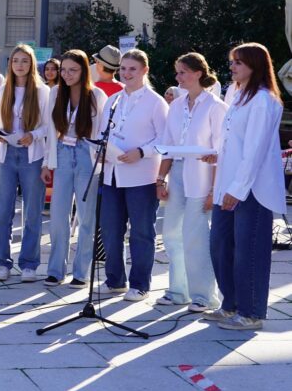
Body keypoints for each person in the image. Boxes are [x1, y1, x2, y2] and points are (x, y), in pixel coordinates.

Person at [206, 43, 285, 330]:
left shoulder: (264, 100)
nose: (233, 67)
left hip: (251, 190)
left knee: (248, 251)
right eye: (232, 62)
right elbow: (233, 142)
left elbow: (254, 150)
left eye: (238, 62)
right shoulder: (237, 94)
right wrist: (215, 154)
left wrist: (236, 190)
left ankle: (250, 313)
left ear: (255, 65)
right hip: (227, 184)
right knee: (220, 246)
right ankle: (230, 305)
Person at [155, 53, 226, 312]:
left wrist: (213, 190)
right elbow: (169, 146)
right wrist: (160, 179)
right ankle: (178, 290)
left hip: (202, 177)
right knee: (172, 233)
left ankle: (204, 295)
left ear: (198, 73)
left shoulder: (216, 106)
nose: (178, 77)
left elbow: (221, 150)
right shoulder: (176, 105)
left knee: (196, 236)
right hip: (178, 175)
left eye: (182, 72)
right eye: (177, 72)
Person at [98, 49, 168, 302]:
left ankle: (140, 284)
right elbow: (102, 132)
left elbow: (165, 139)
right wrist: (102, 151)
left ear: (144, 71)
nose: (126, 73)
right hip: (112, 174)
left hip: (142, 176)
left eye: (132, 69)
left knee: (141, 231)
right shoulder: (114, 100)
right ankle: (114, 279)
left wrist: (142, 151)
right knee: (110, 229)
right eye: (124, 68)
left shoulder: (155, 101)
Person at [41, 50, 107, 287]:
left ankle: (81, 271)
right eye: (64, 70)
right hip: (61, 153)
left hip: (86, 154)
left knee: (86, 216)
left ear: (84, 71)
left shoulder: (97, 95)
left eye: (73, 70)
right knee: (58, 215)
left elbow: (100, 132)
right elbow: (50, 129)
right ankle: (56, 270)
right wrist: (47, 162)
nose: (67, 75)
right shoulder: (56, 92)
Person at [0, 44, 50, 282]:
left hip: (32, 155)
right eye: (16, 60)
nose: (20, 65)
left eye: (25, 61)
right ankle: (1, 262)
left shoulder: (42, 91)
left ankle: (29, 263)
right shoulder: (4, 88)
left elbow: (49, 125)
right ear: (10, 63)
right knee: (2, 212)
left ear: (32, 64)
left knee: (32, 213)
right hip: (7, 153)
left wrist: (33, 135)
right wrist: (0, 134)